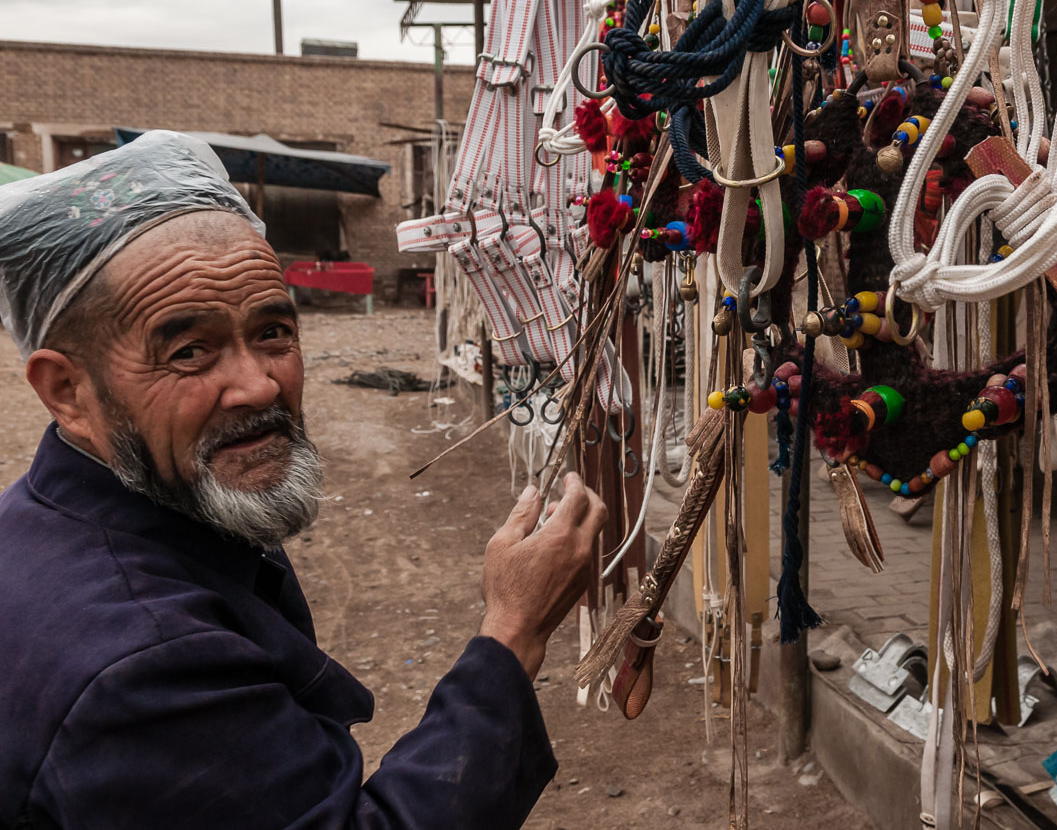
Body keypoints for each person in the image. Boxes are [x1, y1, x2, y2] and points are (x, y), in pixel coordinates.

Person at [0, 131, 606, 828]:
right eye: (190, 351)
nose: (259, 386)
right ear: (67, 391)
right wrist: (515, 630)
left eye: (272, 334)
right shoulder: (140, 664)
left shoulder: (68, 517)